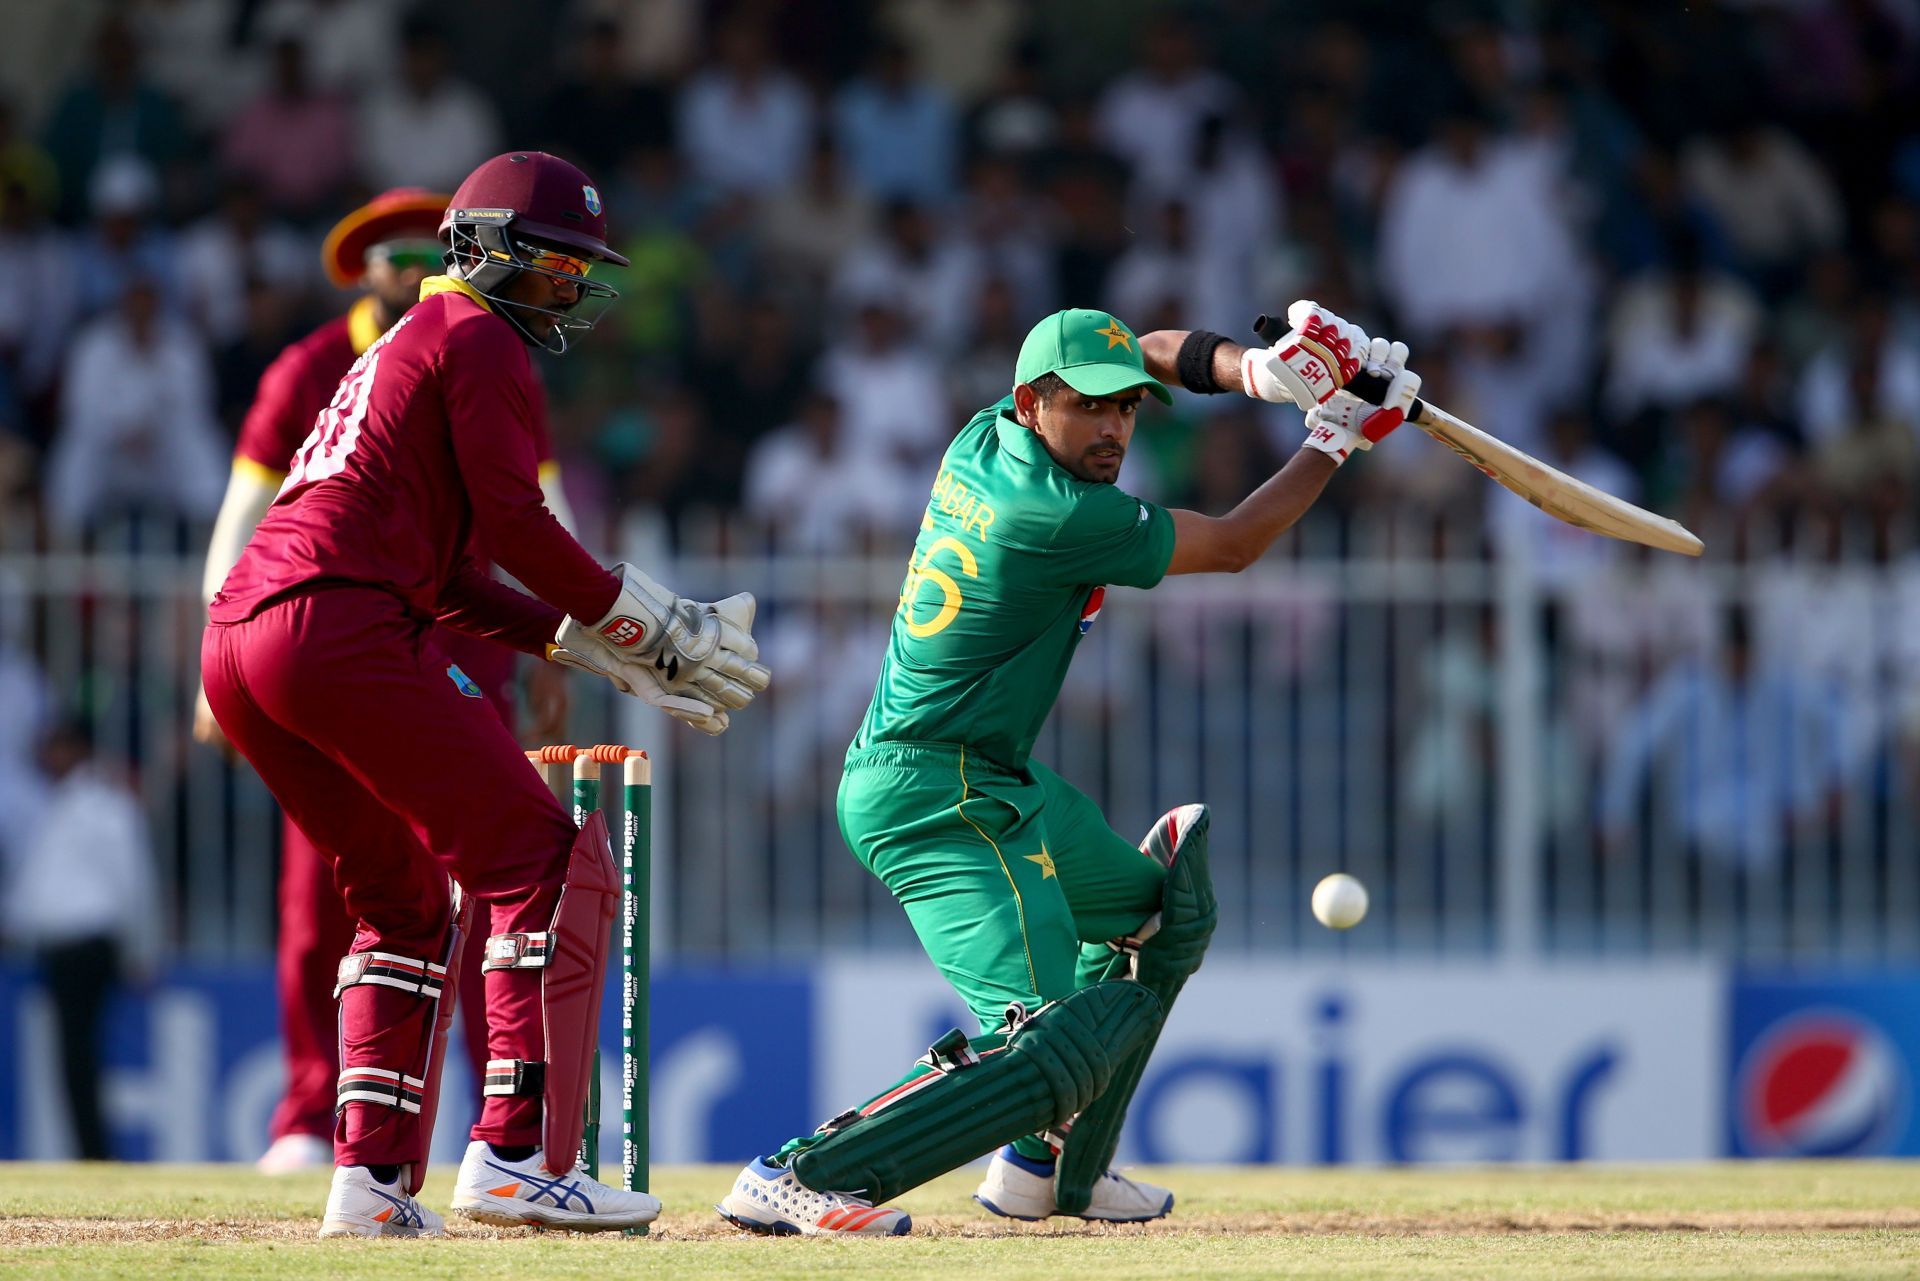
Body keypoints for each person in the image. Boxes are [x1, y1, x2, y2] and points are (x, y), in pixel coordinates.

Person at [718, 301, 1418, 1234]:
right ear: (1034, 402)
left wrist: (1262, 374)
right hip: (935, 793)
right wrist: (1332, 437)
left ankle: (1045, 1172)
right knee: (1045, 1043)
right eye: (1089, 409)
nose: (1113, 429)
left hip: (994, 776)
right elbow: (1239, 543)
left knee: (1167, 915)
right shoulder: (1054, 514)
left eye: (1126, 409)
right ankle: (796, 1172)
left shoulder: (981, 436)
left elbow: (1152, 349)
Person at [200, 151, 769, 1237]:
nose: (572, 285)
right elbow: (517, 524)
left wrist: (584, 643)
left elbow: (457, 574)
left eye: (580, 266)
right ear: (491, 248)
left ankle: (366, 1185)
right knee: (546, 860)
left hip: (245, 638)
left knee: (407, 898)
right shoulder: (476, 334)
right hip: (335, 621)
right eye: (557, 260)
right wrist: (645, 625)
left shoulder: (418, 341)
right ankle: (514, 1155)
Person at [192, 187, 571, 1175]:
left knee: (426, 884)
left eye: (424, 251)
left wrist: (567, 641)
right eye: (394, 255)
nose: (411, 271)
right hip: (344, 628)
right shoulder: (333, 360)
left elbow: (534, 511)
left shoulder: (468, 345)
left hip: (400, 630)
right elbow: (250, 509)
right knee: (410, 875)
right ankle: (474, 1141)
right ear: (364, 269)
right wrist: (623, 623)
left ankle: (389, 1161)